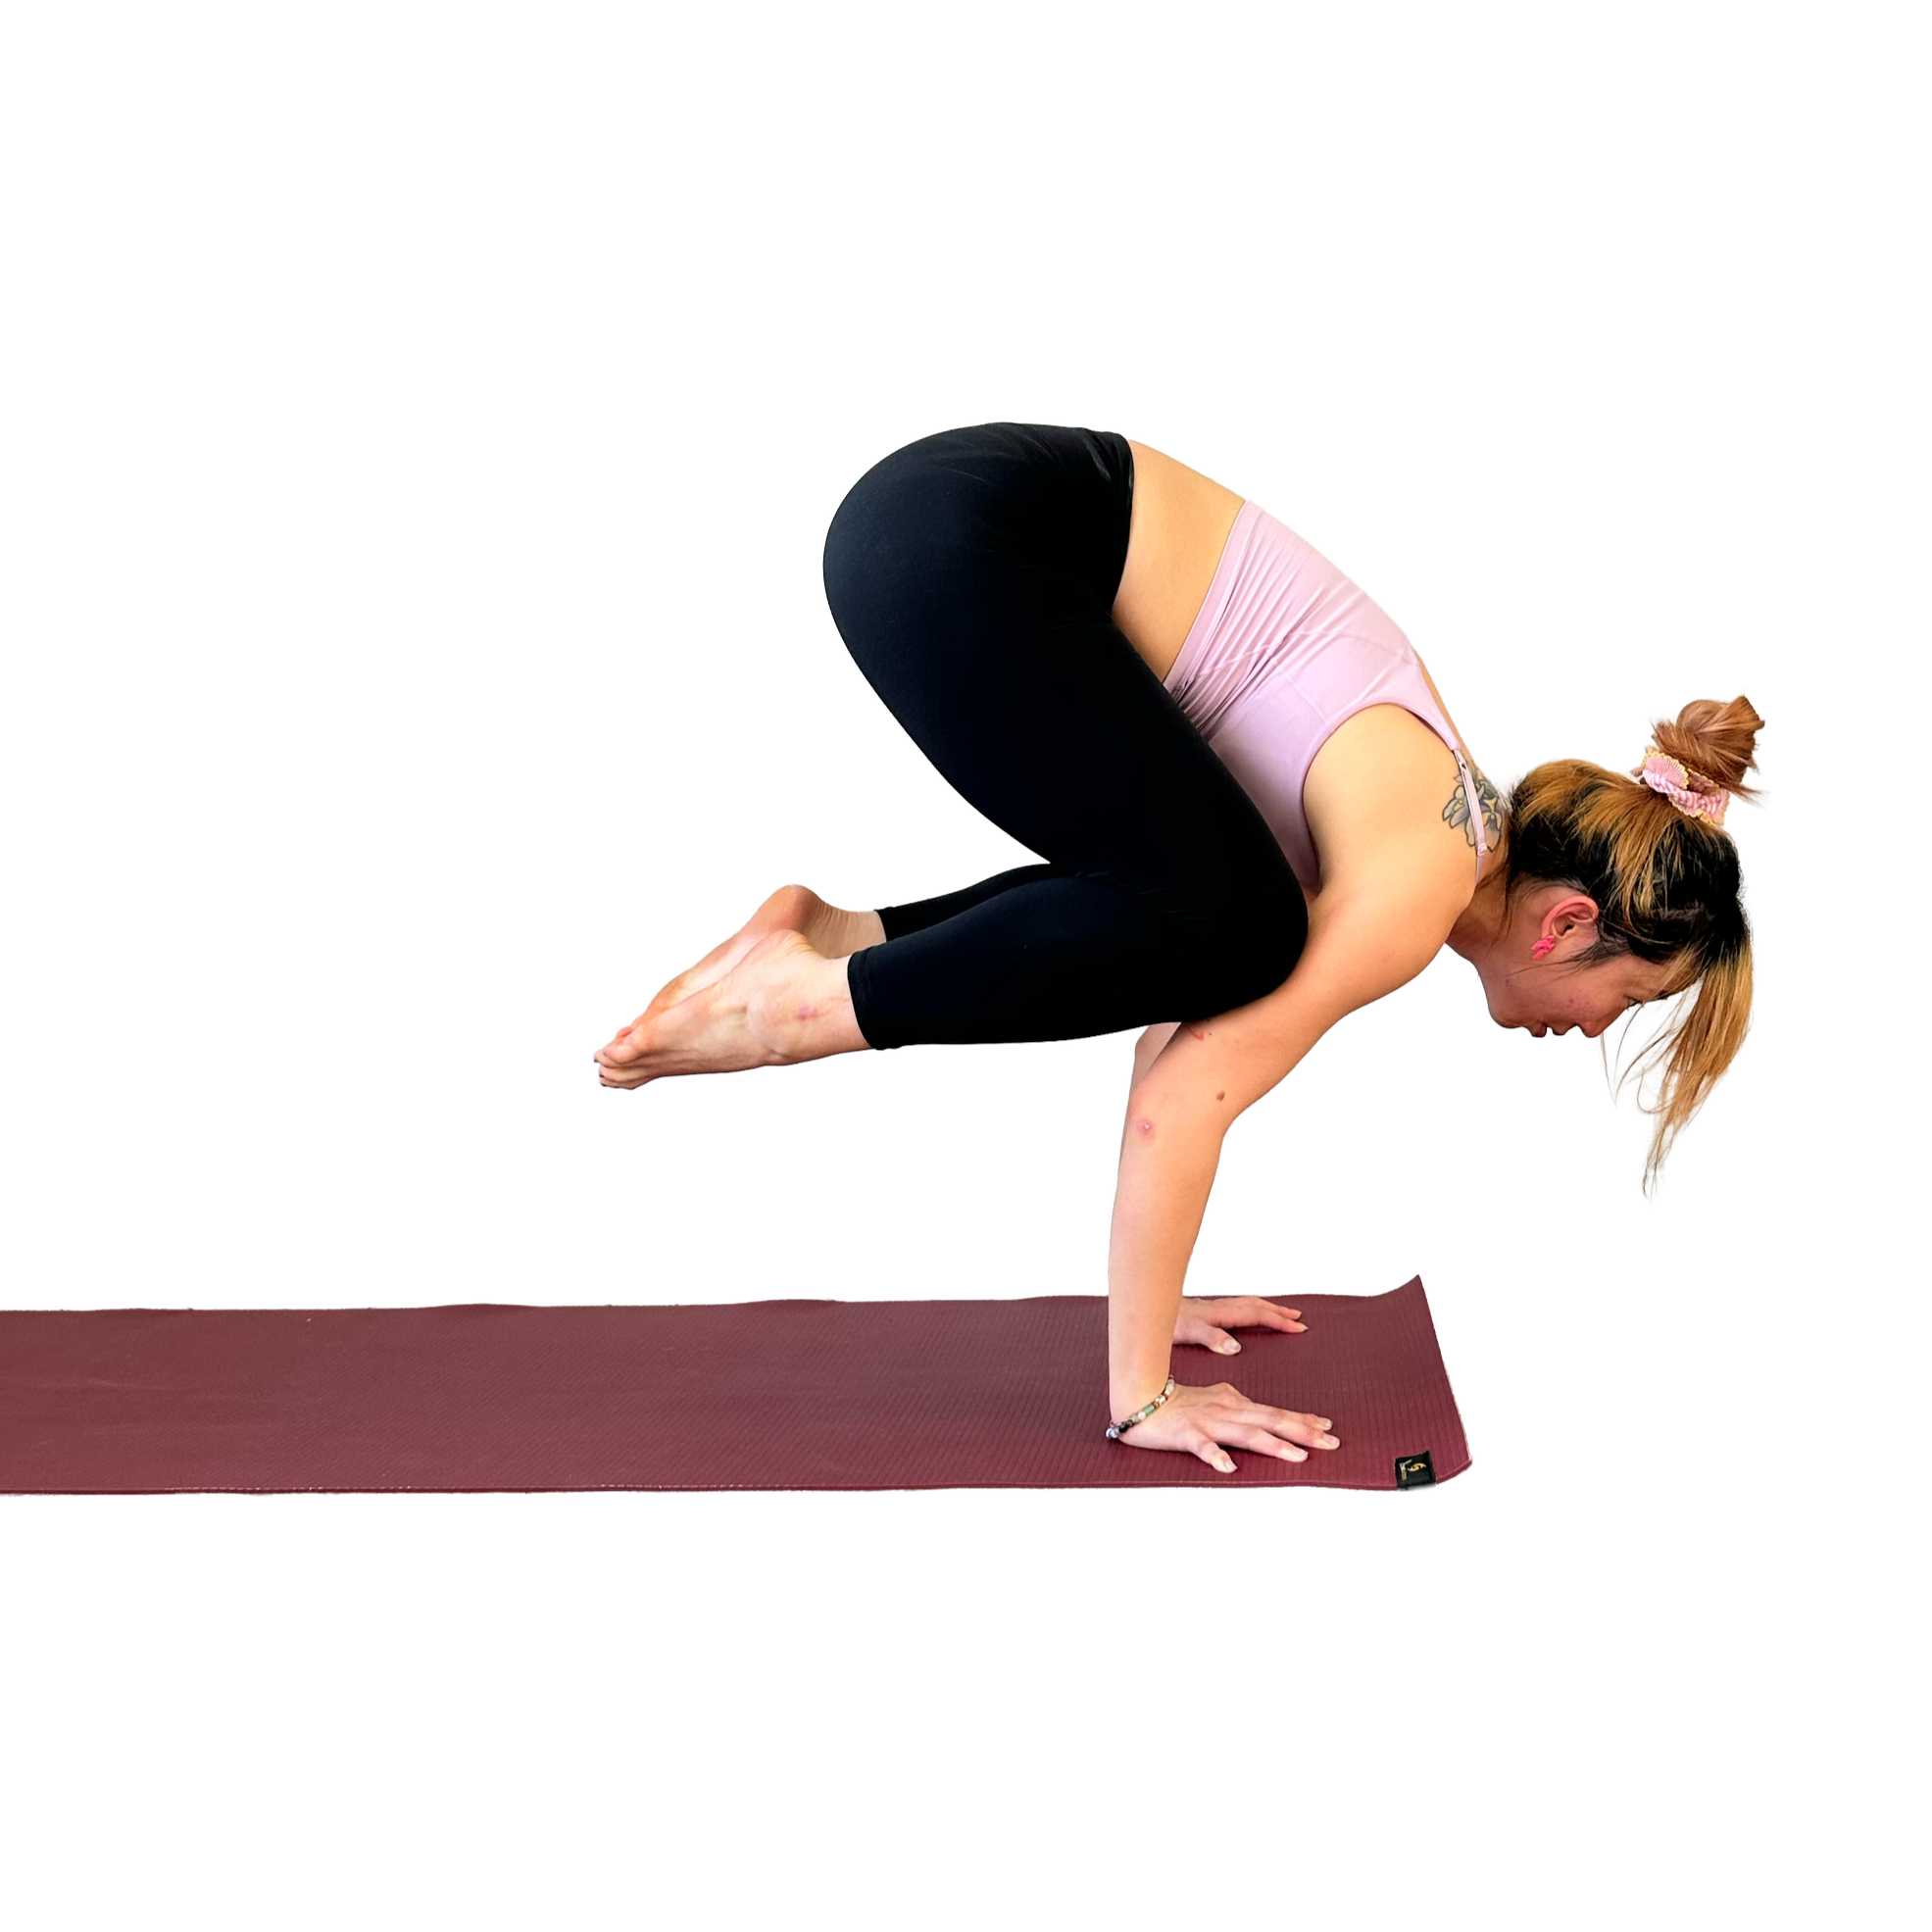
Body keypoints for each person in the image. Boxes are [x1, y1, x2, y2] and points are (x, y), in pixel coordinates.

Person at [591, 421, 1772, 1473]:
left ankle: (835, 937)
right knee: (1231, 928)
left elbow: (1175, 1014)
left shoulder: (1408, 826)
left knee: (1210, 920)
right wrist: (1143, 1398)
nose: (1598, 1036)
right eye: (1627, 1001)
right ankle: (800, 1008)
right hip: (977, 544)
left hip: (951, 523)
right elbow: (1181, 1108)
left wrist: (1154, 1307)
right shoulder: (1415, 880)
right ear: (1569, 924)